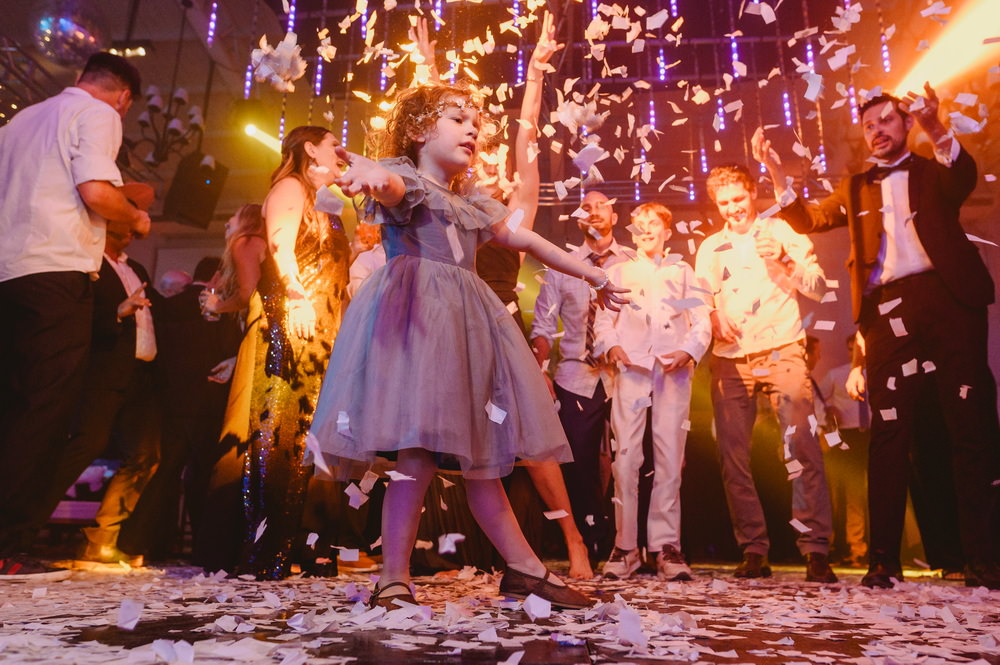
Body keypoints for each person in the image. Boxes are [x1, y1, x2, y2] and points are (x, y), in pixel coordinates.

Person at [308, 82, 628, 609]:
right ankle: (394, 575)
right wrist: (372, 175)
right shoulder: (406, 180)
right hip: (418, 326)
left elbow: (530, 241)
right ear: (416, 132)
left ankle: (524, 569)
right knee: (416, 452)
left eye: (475, 122)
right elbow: (388, 185)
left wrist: (593, 277)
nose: (473, 129)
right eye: (457, 119)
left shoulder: (473, 203)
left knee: (483, 459)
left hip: (468, 329)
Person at [755, 83, 1000, 589]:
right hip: (887, 311)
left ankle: (983, 556)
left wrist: (936, 125)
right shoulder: (855, 185)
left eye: (888, 120)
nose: (878, 131)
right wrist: (778, 174)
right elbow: (811, 219)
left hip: (949, 301)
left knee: (968, 427)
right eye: (869, 125)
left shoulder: (932, 169)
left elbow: (963, 175)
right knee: (889, 433)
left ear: (906, 123)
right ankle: (882, 560)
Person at [0, 51, 148, 579]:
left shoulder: (21, 119)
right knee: (45, 411)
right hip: (56, 270)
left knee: (12, 405)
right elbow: (95, 192)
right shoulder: (99, 114)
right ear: (123, 96)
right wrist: (136, 215)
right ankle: (9, 542)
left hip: (8, 272)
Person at [694, 163, 837, 584]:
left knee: (802, 447)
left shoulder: (780, 231)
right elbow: (700, 301)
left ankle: (816, 550)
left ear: (752, 193)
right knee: (732, 456)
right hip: (730, 358)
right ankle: (753, 549)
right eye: (724, 203)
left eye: (738, 199)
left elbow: (819, 287)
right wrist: (713, 315)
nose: (732, 209)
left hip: (783, 348)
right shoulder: (709, 248)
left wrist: (787, 260)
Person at [237, 127, 351, 580]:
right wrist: (297, 297)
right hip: (295, 317)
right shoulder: (290, 186)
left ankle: (310, 542)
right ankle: (270, 546)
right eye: (332, 145)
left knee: (317, 437)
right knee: (284, 430)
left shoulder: (333, 203)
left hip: (326, 327)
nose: (341, 154)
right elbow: (282, 246)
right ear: (309, 149)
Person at [593, 202, 711, 580]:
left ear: (666, 231)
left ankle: (665, 547)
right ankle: (626, 546)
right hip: (632, 369)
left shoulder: (682, 271)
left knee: (669, 457)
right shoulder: (618, 270)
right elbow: (603, 318)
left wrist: (689, 350)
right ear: (631, 230)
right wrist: (611, 346)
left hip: (672, 371)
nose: (646, 229)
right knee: (626, 457)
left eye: (653, 224)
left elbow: (702, 320)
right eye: (639, 223)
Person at [40, 222, 161, 568]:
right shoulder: (89, 265)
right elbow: (76, 317)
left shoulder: (135, 268)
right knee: (82, 447)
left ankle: (101, 541)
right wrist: (118, 312)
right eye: (124, 229)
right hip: (104, 372)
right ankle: (20, 528)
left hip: (141, 375)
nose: (131, 236)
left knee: (145, 455)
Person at [118, 256, 241, 562]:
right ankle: (206, 547)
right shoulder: (216, 309)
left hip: (170, 399)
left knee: (167, 473)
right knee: (203, 475)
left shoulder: (167, 307)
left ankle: (139, 545)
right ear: (216, 276)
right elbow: (229, 352)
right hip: (207, 401)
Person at [530, 189, 629, 567]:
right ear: (577, 217)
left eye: (602, 205)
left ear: (614, 216)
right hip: (576, 374)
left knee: (629, 460)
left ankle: (629, 546)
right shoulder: (561, 265)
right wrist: (540, 368)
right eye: (585, 207)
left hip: (625, 375)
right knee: (580, 463)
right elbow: (542, 325)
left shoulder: (632, 263)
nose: (594, 212)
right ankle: (587, 543)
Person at [194, 205, 269, 572]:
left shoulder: (246, 242)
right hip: (269, 339)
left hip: (263, 336)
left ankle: (221, 547)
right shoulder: (266, 244)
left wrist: (216, 304)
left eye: (233, 215)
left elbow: (247, 293)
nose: (226, 221)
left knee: (236, 441)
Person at [816, 334, 871, 568]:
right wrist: (828, 411)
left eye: (856, 349)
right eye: (849, 350)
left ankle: (860, 549)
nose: (853, 354)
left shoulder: (877, 372)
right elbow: (818, 399)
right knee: (841, 494)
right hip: (843, 436)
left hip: (869, 435)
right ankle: (842, 547)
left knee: (862, 495)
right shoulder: (837, 375)